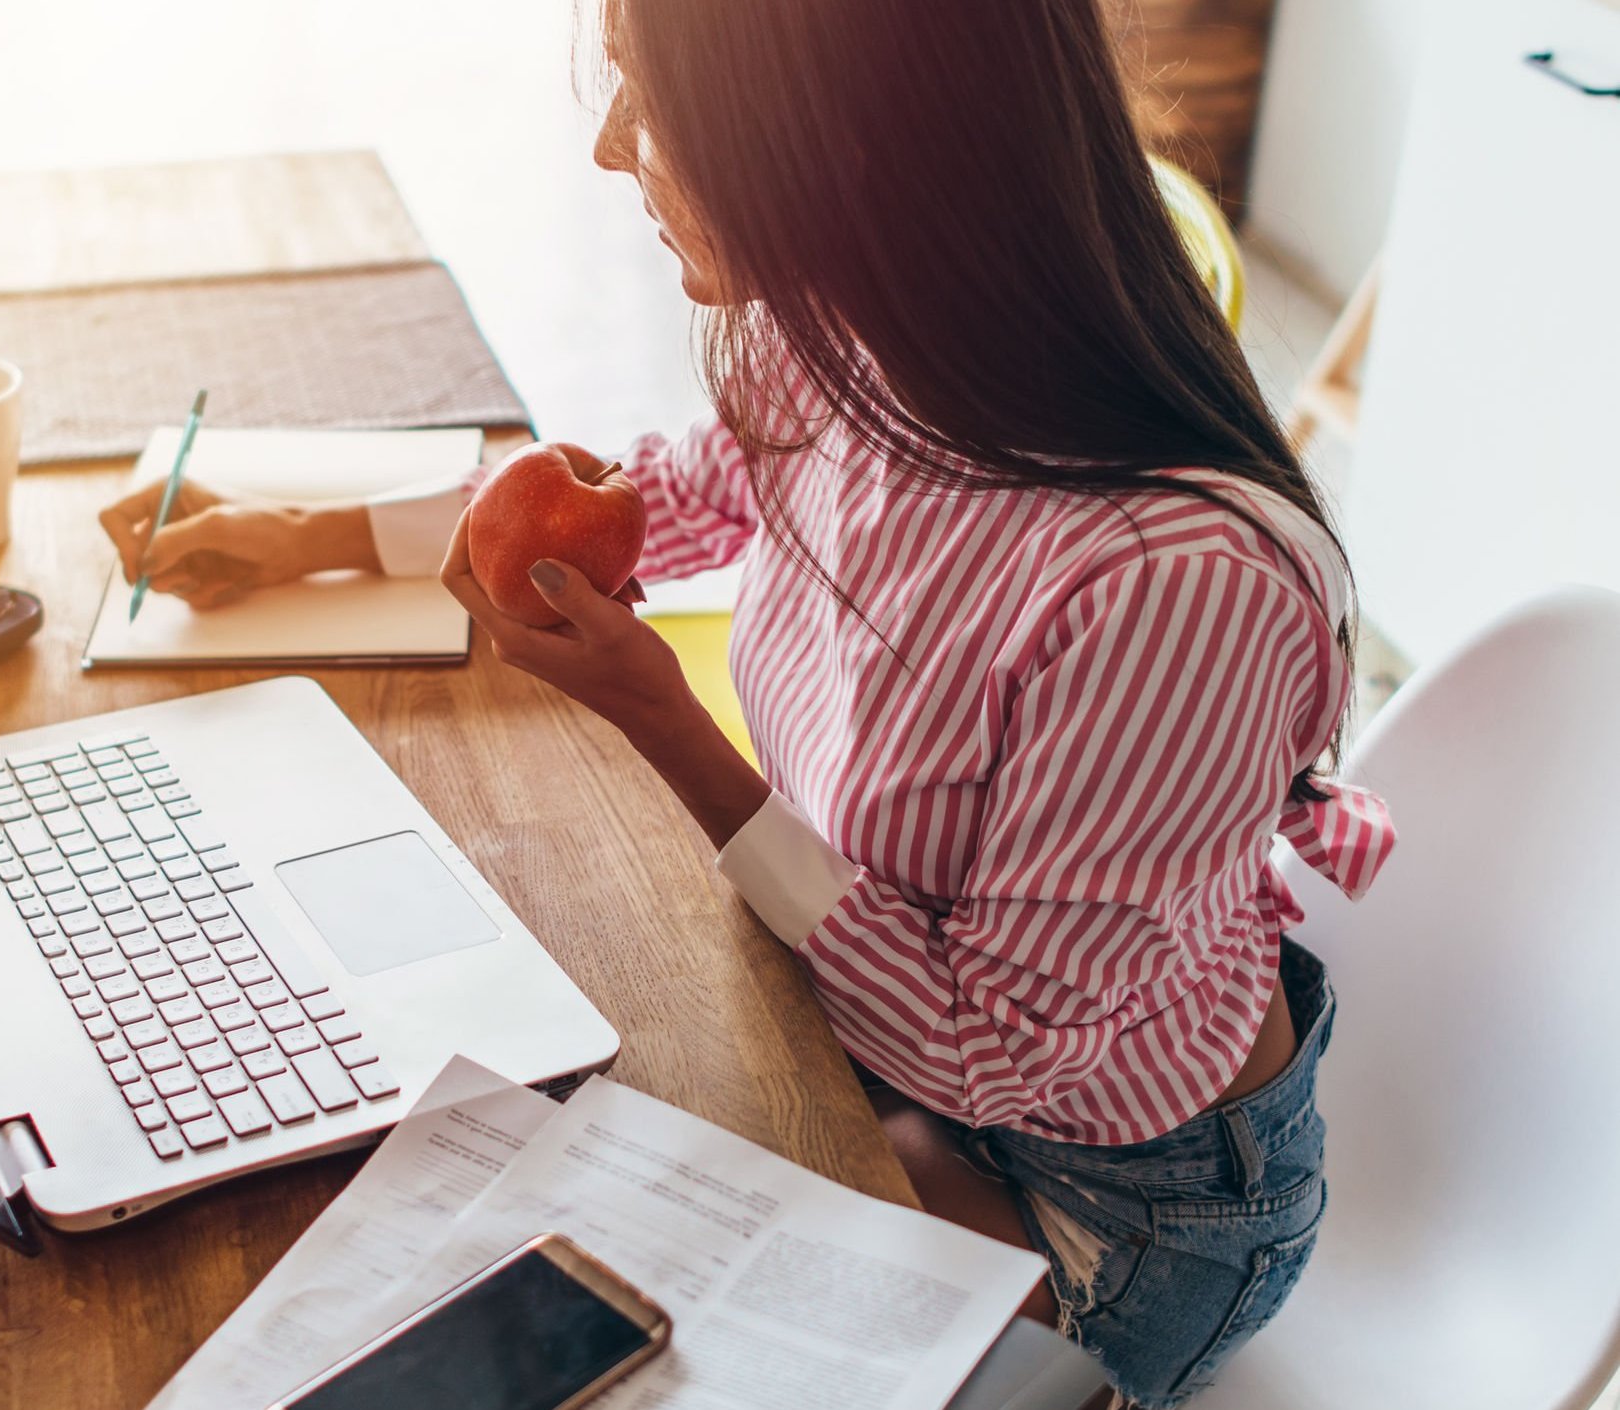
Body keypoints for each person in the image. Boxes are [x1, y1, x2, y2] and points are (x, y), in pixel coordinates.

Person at [98, 2, 1393, 1403]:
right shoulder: (854, 330)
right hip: (872, 1051)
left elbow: (985, 1054)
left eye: (647, 101)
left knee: (562, 1291)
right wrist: (319, 529)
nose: (606, 151)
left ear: (827, 142)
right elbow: (663, 492)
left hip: (1113, 1207)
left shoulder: (1175, 586)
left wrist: (667, 724)